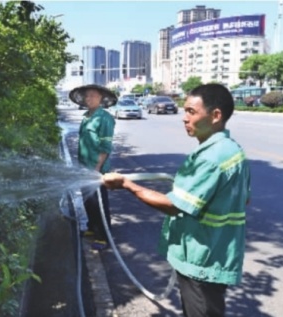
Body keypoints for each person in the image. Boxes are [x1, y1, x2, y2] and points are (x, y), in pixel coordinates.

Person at [102, 83, 251, 316]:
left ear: (216, 116)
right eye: (185, 111)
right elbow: (244, 201)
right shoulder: (232, 151)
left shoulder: (212, 157)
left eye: (191, 111)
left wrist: (126, 184)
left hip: (201, 258)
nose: (184, 118)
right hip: (216, 254)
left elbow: (173, 206)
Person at [69, 84, 117, 251]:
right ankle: (91, 227)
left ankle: (103, 236)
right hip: (84, 167)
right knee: (87, 200)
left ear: (101, 99)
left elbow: (105, 147)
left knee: (99, 204)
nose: (88, 99)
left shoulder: (105, 118)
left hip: (97, 169)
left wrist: (96, 169)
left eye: (93, 96)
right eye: (86, 96)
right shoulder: (86, 117)